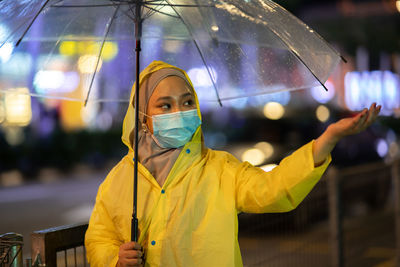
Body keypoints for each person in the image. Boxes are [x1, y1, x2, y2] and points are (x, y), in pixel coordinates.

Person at [84, 60, 381, 267]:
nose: (181, 111)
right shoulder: (120, 180)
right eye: (165, 105)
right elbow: (99, 237)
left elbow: (273, 189)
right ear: (142, 117)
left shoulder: (219, 169)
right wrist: (115, 260)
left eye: (188, 102)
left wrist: (326, 139)